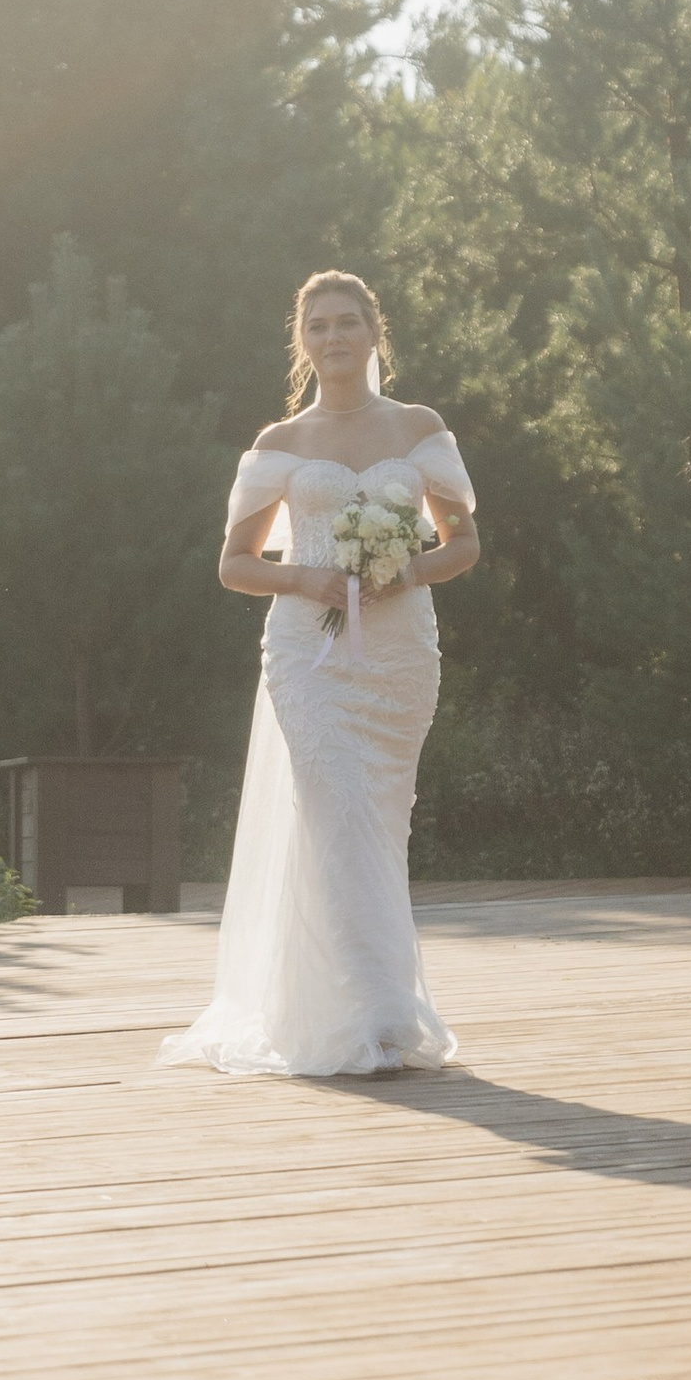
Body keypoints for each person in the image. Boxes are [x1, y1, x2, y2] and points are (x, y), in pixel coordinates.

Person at [161, 270, 478, 1077]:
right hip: (309, 654)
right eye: (318, 326)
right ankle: (370, 1021)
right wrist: (306, 577)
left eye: (348, 322)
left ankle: (366, 1004)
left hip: (401, 655)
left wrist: (406, 570)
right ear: (302, 341)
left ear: (376, 331)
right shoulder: (280, 444)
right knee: (336, 807)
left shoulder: (419, 428)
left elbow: (465, 543)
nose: (333, 337)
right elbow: (234, 564)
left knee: (379, 819)